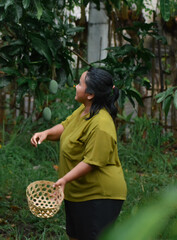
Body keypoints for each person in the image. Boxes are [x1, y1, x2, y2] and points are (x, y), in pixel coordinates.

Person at [30, 68, 127, 240]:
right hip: (78, 192)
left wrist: (65, 179)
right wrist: (46, 133)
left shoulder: (101, 124)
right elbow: (65, 126)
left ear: (90, 94)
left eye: (80, 84)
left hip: (99, 195)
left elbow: (92, 162)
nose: (76, 86)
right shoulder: (84, 111)